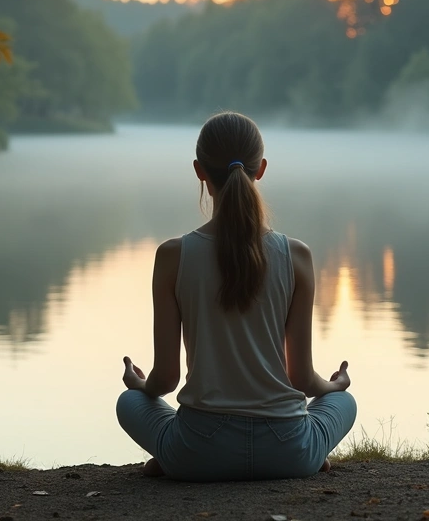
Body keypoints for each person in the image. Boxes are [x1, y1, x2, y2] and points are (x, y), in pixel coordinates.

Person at [116, 111, 356, 482]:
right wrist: (333, 386)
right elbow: (302, 379)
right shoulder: (296, 256)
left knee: (129, 402)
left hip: (199, 451)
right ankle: (309, 456)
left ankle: (172, 456)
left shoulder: (173, 256)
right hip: (287, 449)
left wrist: (139, 385)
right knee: (344, 402)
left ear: (199, 170)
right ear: (261, 169)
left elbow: (165, 380)